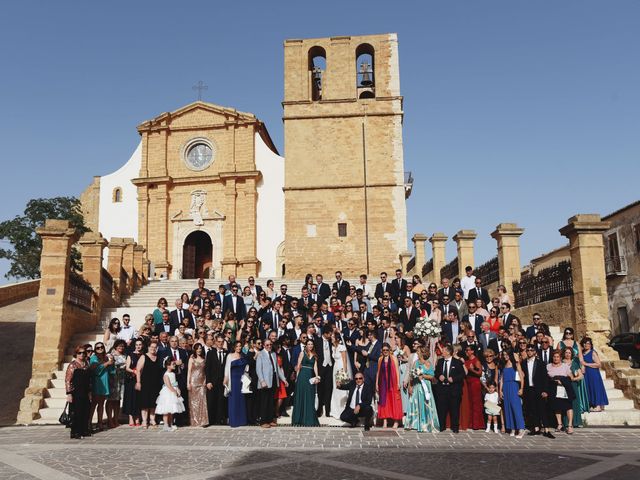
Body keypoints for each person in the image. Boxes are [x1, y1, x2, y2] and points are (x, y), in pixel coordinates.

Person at [521, 343, 553, 438]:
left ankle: (546, 430)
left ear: (535, 352)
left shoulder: (540, 363)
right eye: (528, 350)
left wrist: (545, 390)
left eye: (531, 350)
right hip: (529, 389)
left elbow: (545, 378)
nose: (529, 352)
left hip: (539, 389)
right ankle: (536, 428)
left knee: (542, 409)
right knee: (532, 409)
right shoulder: (524, 363)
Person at [405, 344, 440, 432]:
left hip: (425, 387)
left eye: (418, 351)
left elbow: (432, 376)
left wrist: (423, 375)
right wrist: (410, 386)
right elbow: (411, 375)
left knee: (424, 404)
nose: (417, 352)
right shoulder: (415, 362)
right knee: (414, 403)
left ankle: (425, 424)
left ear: (422, 353)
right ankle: (414, 424)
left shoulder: (428, 363)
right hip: (416, 386)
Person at [434, 344, 465, 432]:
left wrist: (453, 379)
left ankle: (455, 427)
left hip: (454, 389)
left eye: (443, 351)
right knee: (441, 409)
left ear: (448, 352)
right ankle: (442, 426)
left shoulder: (457, 362)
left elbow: (462, 374)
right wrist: (439, 376)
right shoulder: (440, 361)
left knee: (454, 409)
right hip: (442, 389)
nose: (442, 352)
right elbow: (436, 372)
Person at [256, 339, 287, 428]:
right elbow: (258, 369)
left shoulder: (273, 354)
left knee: (271, 401)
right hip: (265, 381)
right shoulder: (260, 354)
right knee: (264, 402)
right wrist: (262, 381)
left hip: (273, 379)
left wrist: (284, 379)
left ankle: (270, 420)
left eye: (270, 345)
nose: (269, 346)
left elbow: (277, 369)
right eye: (267, 345)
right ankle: (263, 421)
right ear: (264, 345)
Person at [65, 345, 92, 439]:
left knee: (85, 411)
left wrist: (89, 392)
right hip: (76, 392)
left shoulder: (87, 364)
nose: (81, 355)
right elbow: (68, 380)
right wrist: (69, 394)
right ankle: (76, 432)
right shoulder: (73, 365)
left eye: (83, 353)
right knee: (77, 412)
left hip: (85, 391)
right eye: (79, 353)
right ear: (76, 354)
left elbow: (89, 379)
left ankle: (84, 430)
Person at [292, 339, 320, 426]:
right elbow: (298, 365)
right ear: (306, 345)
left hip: (310, 378)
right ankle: (299, 419)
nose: (310, 345)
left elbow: (315, 367)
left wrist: (317, 376)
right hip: (302, 377)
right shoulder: (302, 353)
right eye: (309, 344)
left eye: (311, 344)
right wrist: (297, 377)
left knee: (309, 397)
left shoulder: (315, 355)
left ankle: (309, 419)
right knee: (301, 396)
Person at [136, 341, 163, 428]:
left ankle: (152, 419)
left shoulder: (158, 357)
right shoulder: (144, 357)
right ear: (148, 347)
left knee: (153, 403)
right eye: (152, 347)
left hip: (155, 384)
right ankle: (144, 421)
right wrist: (138, 382)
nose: (153, 349)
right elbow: (138, 370)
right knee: (145, 403)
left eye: (155, 347)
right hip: (145, 383)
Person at [547, 350, 576, 434]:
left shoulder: (565, 366)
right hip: (553, 388)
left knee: (568, 406)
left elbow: (571, 377)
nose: (556, 358)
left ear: (560, 358)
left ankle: (570, 425)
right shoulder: (548, 366)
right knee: (557, 406)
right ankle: (559, 424)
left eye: (557, 357)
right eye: (554, 357)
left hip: (564, 388)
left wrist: (562, 381)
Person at [375, 343, 403, 429]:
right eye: (384, 350)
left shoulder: (394, 358)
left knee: (394, 400)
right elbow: (378, 371)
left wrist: (398, 383)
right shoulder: (380, 359)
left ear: (389, 350)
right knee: (384, 401)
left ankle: (396, 421)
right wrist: (376, 383)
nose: (385, 352)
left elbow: (397, 371)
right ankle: (385, 421)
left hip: (393, 382)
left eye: (387, 350)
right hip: (383, 382)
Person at [499, 349, 526, 438]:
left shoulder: (516, 364)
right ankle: (512, 428)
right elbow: (502, 379)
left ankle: (521, 428)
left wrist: (521, 388)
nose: (505, 356)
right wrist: (500, 390)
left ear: (510, 355)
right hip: (506, 387)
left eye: (506, 354)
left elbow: (522, 377)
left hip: (514, 386)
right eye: (504, 354)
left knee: (516, 407)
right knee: (508, 407)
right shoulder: (503, 365)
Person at [155, 357, 185, 431]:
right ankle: (165, 425)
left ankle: (171, 423)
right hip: (168, 393)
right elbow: (168, 385)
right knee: (166, 410)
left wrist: (178, 389)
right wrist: (174, 391)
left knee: (171, 410)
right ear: (168, 366)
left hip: (173, 391)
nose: (174, 365)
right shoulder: (166, 374)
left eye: (174, 364)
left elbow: (175, 383)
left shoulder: (173, 373)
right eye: (173, 364)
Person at [562, 347, 589, 428]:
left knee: (575, 403)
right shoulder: (561, 362)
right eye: (566, 352)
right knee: (565, 403)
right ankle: (566, 422)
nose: (567, 354)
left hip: (573, 385)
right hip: (563, 386)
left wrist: (574, 379)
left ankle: (576, 422)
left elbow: (581, 376)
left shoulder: (575, 363)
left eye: (569, 353)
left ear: (571, 354)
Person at [580, 337, 609, 412]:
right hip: (586, 374)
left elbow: (598, 364)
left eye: (588, 343)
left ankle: (598, 405)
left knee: (595, 388)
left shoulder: (593, 352)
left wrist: (586, 364)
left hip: (593, 373)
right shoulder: (582, 353)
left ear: (590, 345)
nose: (586, 345)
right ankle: (592, 404)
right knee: (589, 388)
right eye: (585, 343)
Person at [89, 342, 113, 431]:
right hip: (97, 382)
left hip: (105, 382)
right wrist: (107, 363)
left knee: (101, 404)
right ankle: (89, 422)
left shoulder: (106, 357)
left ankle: (100, 422)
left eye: (101, 347)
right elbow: (96, 370)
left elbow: (111, 371)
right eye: (98, 348)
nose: (100, 349)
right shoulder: (93, 358)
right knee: (94, 404)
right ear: (95, 350)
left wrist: (112, 363)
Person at [224, 341, 249, 427]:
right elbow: (227, 368)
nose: (239, 348)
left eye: (240, 346)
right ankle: (234, 421)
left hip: (241, 381)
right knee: (233, 400)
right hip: (233, 380)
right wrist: (226, 379)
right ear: (234, 347)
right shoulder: (230, 356)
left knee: (241, 400)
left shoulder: (243, 356)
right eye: (237, 346)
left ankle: (242, 420)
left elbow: (246, 368)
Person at [205, 335, 228, 425]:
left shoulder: (226, 353)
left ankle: (219, 420)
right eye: (218, 341)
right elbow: (207, 368)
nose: (220, 343)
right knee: (211, 401)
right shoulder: (211, 353)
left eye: (222, 342)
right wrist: (208, 381)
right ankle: (210, 420)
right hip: (212, 381)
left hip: (222, 381)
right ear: (215, 342)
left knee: (220, 401)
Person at [330, 332, 352, 419]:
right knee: (335, 388)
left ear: (337, 339)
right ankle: (335, 410)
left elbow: (345, 361)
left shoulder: (341, 347)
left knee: (341, 388)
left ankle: (342, 410)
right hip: (335, 368)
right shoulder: (333, 347)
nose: (331, 338)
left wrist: (344, 373)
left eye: (332, 337)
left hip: (341, 368)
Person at [106, 340, 127, 428]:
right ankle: (109, 420)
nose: (121, 347)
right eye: (119, 346)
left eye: (122, 346)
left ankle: (116, 419)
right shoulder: (111, 355)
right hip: (112, 380)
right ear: (115, 346)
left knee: (117, 400)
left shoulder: (125, 355)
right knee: (110, 400)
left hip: (121, 380)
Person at [315, 325, 334, 418]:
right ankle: (319, 410)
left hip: (329, 368)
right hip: (320, 368)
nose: (331, 335)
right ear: (325, 333)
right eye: (330, 334)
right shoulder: (317, 341)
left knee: (328, 389)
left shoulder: (331, 341)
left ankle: (327, 411)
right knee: (320, 390)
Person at [187, 343, 209, 427]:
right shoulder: (191, 359)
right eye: (197, 348)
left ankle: (203, 421)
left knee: (202, 402)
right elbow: (189, 371)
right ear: (195, 350)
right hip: (193, 381)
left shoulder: (204, 358)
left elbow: (205, 371)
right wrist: (188, 383)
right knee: (193, 403)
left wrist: (206, 381)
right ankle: (195, 421)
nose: (199, 350)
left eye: (200, 348)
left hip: (202, 382)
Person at [123, 339, 144, 426]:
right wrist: (134, 371)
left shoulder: (143, 355)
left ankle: (138, 418)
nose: (138, 346)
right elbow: (127, 367)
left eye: (140, 344)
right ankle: (131, 418)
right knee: (131, 398)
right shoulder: (130, 355)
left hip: (140, 379)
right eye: (137, 345)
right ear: (134, 346)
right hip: (131, 379)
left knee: (138, 398)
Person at [464, 345, 485, 430]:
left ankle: (477, 424)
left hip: (475, 383)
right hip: (468, 383)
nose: (466, 351)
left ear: (472, 351)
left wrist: (472, 369)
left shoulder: (476, 361)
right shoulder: (467, 360)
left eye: (468, 350)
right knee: (470, 403)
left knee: (476, 403)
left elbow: (479, 373)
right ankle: (471, 423)